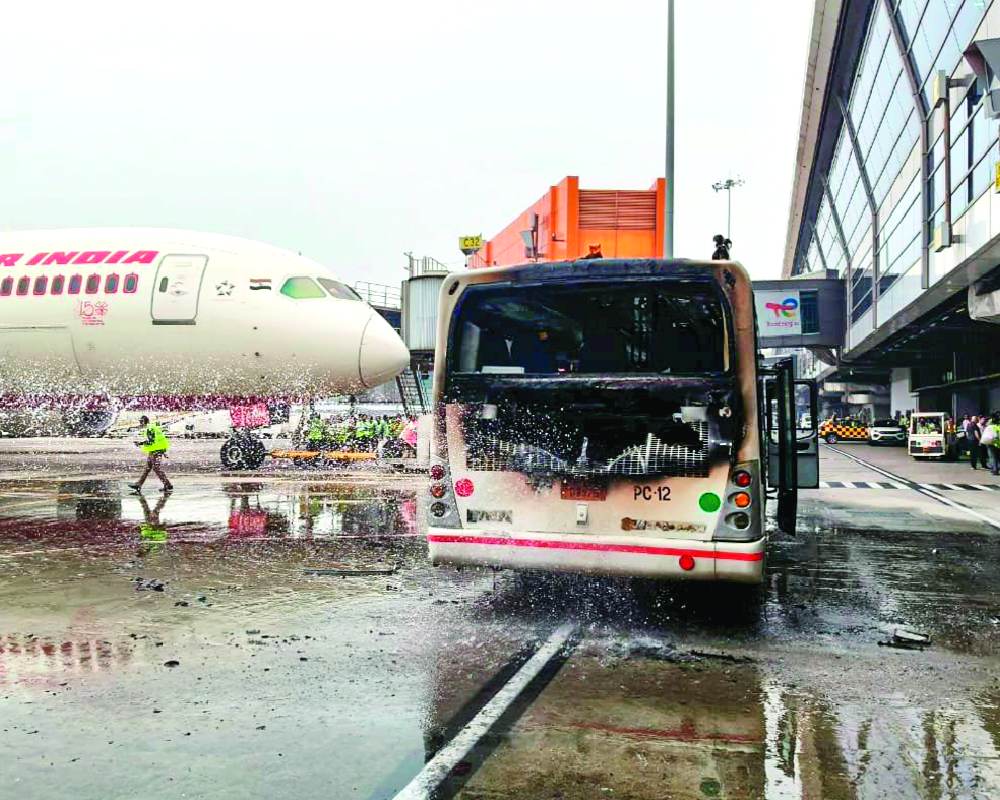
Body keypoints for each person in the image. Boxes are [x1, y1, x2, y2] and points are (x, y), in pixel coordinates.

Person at [128, 415, 173, 493]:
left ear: (145, 421)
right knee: (148, 468)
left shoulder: (150, 428)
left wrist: (140, 443)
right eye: (140, 421)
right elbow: (159, 439)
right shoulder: (151, 428)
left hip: (156, 450)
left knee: (155, 468)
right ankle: (139, 484)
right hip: (155, 449)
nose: (140, 423)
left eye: (141, 421)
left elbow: (151, 441)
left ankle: (167, 484)